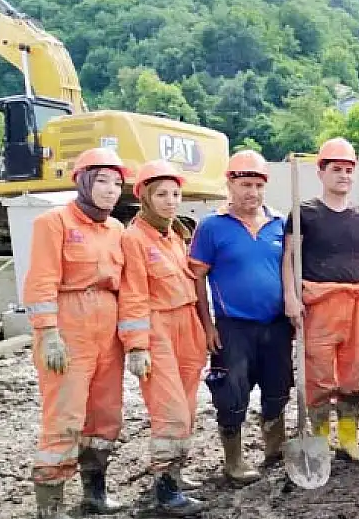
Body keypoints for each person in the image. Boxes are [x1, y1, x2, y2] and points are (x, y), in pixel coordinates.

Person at [24, 147, 129, 519]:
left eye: (117, 183)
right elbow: (41, 282)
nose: (110, 190)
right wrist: (49, 333)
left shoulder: (116, 228)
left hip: (108, 328)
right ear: (83, 182)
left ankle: (94, 495)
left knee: (105, 416)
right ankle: (49, 507)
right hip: (70, 328)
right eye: (102, 181)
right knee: (65, 418)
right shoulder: (54, 222)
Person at [282, 138, 359, 463]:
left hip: (357, 305)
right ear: (321, 172)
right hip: (320, 305)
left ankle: (348, 439)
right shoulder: (304, 214)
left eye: (348, 169)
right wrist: (290, 297)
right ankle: (321, 441)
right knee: (319, 377)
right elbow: (289, 257)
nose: (343, 175)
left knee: (355, 375)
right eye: (336, 169)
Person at [190, 150, 292, 484]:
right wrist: (207, 326)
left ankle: (275, 448)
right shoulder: (211, 227)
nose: (252, 192)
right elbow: (197, 278)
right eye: (245, 184)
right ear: (230, 184)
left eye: (258, 185)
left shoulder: (280, 223)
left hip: (277, 324)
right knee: (231, 392)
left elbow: (290, 269)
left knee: (278, 388)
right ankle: (233, 461)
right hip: (233, 326)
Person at [119, 159, 206, 516]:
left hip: (186, 324)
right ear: (144, 197)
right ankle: (165, 489)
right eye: (162, 194)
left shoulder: (175, 235)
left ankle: (176, 471)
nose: (171, 201)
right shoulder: (134, 238)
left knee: (186, 407)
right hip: (158, 329)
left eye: (175, 193)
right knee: (169, 411)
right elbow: (133, 293)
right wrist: (137, 346)